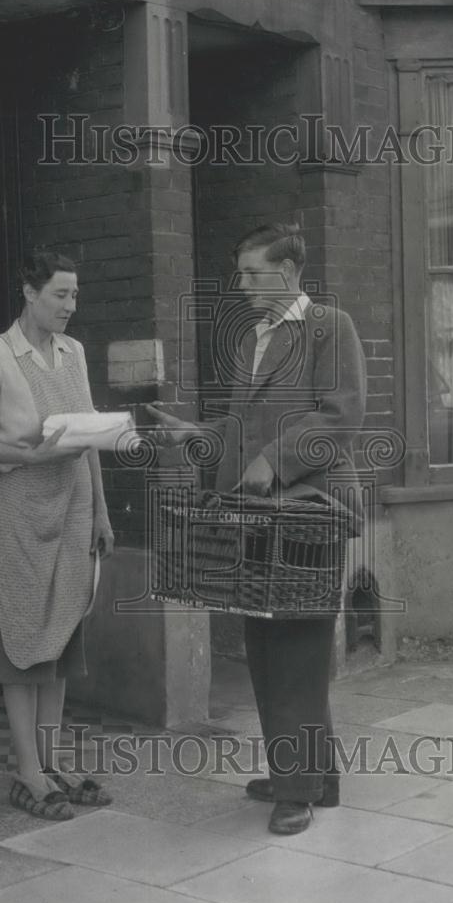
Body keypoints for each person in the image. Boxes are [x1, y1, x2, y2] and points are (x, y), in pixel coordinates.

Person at [148, 223, 367, 835]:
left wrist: (276, 460)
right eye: (240, 273)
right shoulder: (254, 340)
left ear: (289, 272)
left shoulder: (329, 325)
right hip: (262, 513)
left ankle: (295, 791)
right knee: (267, 643)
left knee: (296, 646)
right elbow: (247, 430)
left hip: (311, 508)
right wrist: (198, 436)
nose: (241, 285)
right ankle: (312, 775)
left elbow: (342, 414)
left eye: (252, 273)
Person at [0, 251, 115, 822]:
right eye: (60, 296)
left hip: (75, 507)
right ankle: (27, 771)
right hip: (22, 509)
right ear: (29, 292)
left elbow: (88, 434)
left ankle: (53, 762)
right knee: (22, 639)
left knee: (61, 633)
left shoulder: (75, 354)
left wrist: (101, 512)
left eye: (74, 296)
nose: (70, 306)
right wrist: (21, 455)